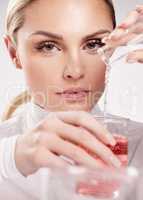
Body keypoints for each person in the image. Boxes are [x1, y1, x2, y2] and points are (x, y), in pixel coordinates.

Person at [0, 0, 143, 199]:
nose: (75, 71)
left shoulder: (138, 148)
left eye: (94, 44)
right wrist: (9, 159)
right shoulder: (5, 154)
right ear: (14, 53)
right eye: (48, 46)